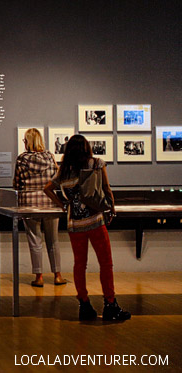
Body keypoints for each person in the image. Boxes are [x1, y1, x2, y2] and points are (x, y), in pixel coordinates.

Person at [44, 134, 131, 321]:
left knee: (79, 265)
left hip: (74, 224)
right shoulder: (97, 163)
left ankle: (84, 304)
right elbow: (107, 188)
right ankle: (110, 305)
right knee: (106, 263)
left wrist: (62, 204)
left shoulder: (64, 170)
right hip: (95, 221)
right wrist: (111, 208)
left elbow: (47, 188)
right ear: (86, 147)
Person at [13, 128, 66, 287]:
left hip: (29, 204)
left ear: (27, 141)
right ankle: (57, 275)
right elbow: (57, 178)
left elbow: (17, 183)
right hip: (49, 203)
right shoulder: (50, 157)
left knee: (34, 240)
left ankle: (39, 277)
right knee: (53, 240)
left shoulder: (22, 159)